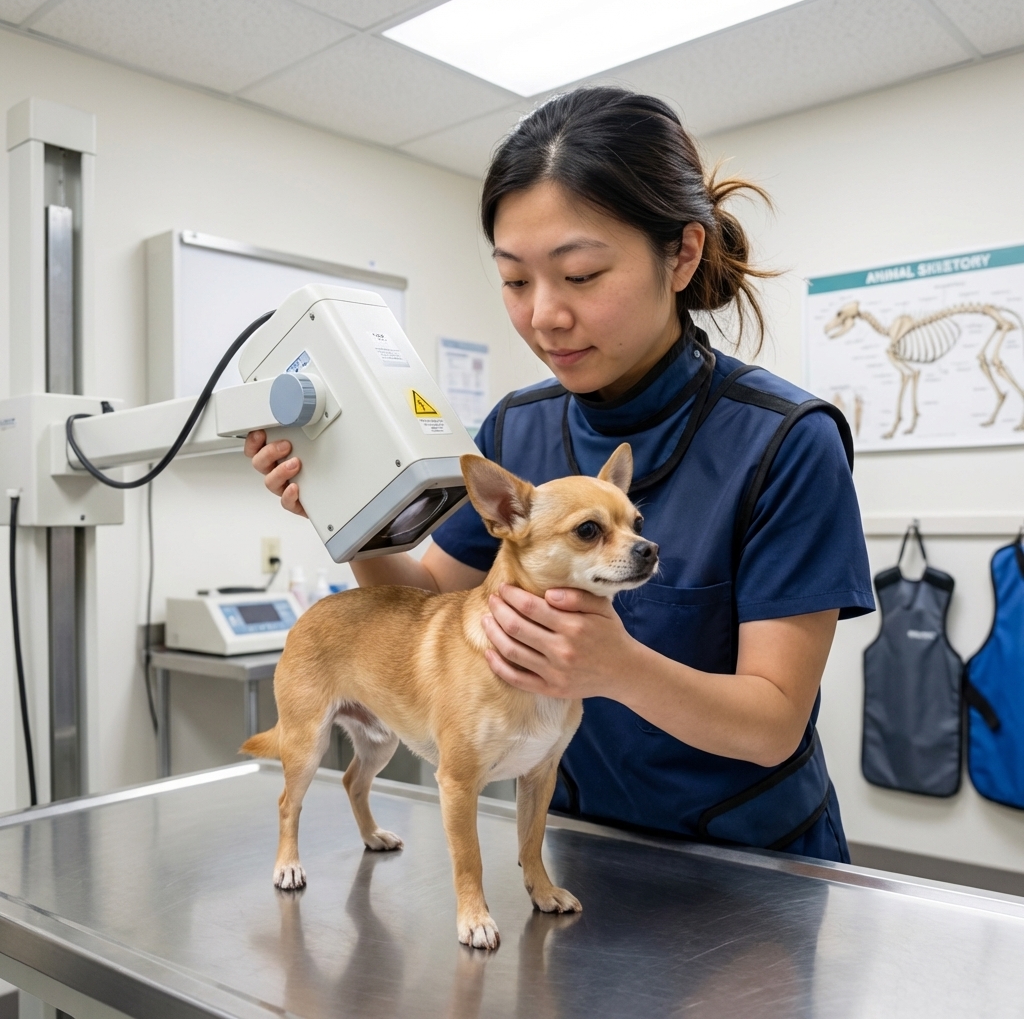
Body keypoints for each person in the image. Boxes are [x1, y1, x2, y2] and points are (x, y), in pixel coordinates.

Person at [245, 87, 873, 862]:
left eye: (578, 276)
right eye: (515, 281)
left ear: (682, 254)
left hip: (747, 862)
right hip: (576, 845)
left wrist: (618, 666)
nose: (543, 315)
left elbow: (772, 724)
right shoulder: (519, 424)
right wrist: (339, 504)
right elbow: (426, 609)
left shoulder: (785, 443)